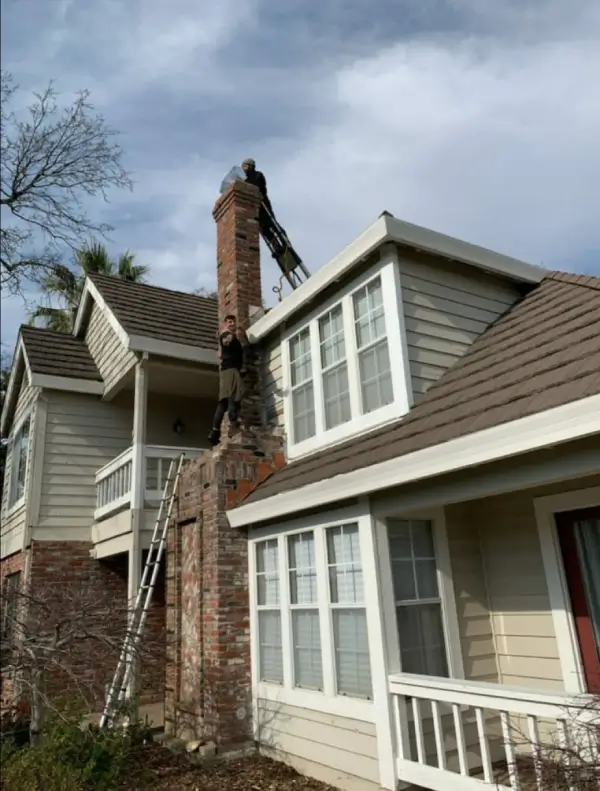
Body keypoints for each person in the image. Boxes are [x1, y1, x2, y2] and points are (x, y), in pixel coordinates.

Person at [209, 314, 247, 446]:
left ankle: (214, 432)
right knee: (232, 397)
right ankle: (233, 426)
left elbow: (221, 353)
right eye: (229, 322)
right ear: (225, 323)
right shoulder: (226, 335)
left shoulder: (229, 337)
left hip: (227, 371)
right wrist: (231, 336)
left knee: (223, 403)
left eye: (233, 322)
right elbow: (226, 340)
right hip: (231, 370)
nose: (232, 324)